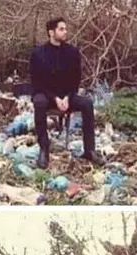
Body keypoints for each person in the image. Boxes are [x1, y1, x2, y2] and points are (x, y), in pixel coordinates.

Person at [29, 17, 105, 170]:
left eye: (65, 29)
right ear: (51, 32)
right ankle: (44, 150)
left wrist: (68, 97)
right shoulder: (38, 53)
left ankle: (89, 150)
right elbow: (37, 83)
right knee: (39, 102)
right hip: (47, 95)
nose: (65, 32)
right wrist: (55, 98)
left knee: (87, 103)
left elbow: (76, 80)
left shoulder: (72, 52)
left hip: (67, 95)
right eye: (61, 29)